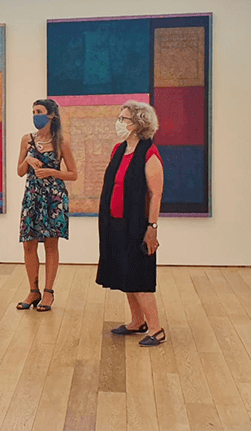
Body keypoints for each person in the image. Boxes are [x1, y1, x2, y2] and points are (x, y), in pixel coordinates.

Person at [96, 100, 166, 347]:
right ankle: (138, 322)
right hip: (115, 223)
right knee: (125, 273)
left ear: (138, 124)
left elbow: (156, 194)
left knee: (139, 276)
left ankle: (156, 329)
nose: (120, 122)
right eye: (120, 117)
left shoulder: (149, 153)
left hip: (137, 226)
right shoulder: (118, 149)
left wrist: (152, 229)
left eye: (124, 119)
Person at [17, 99, 77, 311]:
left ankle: (48, 293)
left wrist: (52, 172)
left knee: (51, 245)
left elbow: (73, 174)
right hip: (32, 196)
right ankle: (33, 291)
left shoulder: (62, 142)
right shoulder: (27, 139)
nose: (35, 115)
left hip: (54, 198)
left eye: (39, 111)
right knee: (28, 244)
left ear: (51, 115)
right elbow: (20, 171)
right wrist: (29, 160)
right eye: (33, 111)